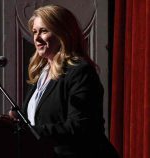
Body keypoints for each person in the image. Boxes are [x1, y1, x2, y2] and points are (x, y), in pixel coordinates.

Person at [8, 4, 119, 158]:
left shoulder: (80, 72)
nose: (37, 38)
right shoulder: (42, 73)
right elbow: (44, 118)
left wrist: (31, 130)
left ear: (63, 33)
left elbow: (80, 127)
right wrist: (17, 121)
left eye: (44, 31)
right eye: (34, 32)